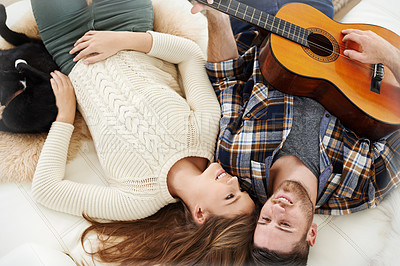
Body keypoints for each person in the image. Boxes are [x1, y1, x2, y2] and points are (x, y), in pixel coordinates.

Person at [30, 0, 256, 264]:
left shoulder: (134, 201)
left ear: (200, 214)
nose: (233, 181)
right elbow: (190, 54)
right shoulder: (207, 132)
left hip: (69, 49)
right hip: (127, 22)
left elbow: (46, 190)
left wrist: (65, 116)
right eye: (241, 190)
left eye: (231, 196)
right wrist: (121, 39)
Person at [192, 0, 400, 264]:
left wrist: (217, 16)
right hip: (313, 19)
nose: (278, 209)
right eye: (285, 225)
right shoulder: (363, 185)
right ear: (311, 234)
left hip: (254, 25)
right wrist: (389, 55)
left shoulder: (236, 162)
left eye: (266, 219)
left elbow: (227, 80)